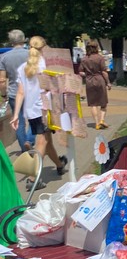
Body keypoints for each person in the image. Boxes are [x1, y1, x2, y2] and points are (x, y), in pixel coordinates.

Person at [10, 36, 67, 189]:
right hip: (45, 109)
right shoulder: (48, 66)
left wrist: (16, 115)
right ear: (44, 48)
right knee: (42, 142)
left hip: (31, 111)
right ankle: (32, 179)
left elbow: (20, 92)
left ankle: (59, 164)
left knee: (47, 141)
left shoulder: (23, 68)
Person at [0, 29, 35, 151]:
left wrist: (3, 94)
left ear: (11, 42)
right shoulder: (30, 55)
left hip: (14, 93)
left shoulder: (4, 57)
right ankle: (29, 140)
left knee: (19, 122)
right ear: (23, 40)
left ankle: (25, 149)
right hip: (30, 92)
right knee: (34, 119)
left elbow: (2, 80)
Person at [78, 40, 111, 130]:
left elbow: (80, 72)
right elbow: (104, 72)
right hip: (100, 80)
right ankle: (102, 120)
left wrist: (87, 74)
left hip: (89, 81)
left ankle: (96, 123)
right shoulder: (100, 58)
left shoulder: (84, 59)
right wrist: (108, 82)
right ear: (96, 48)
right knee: (103, 103)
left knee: (93, 104)